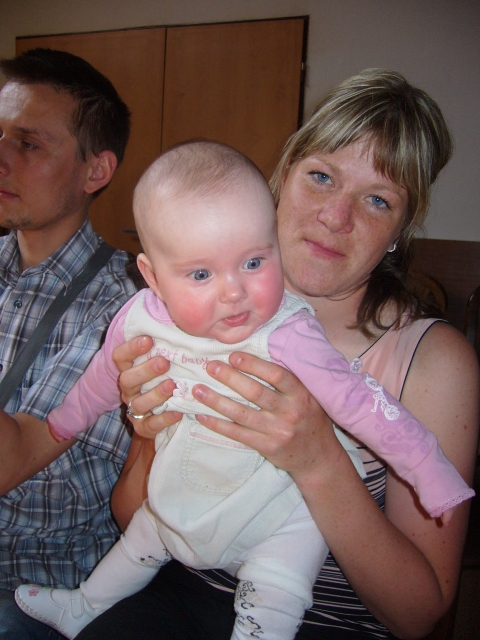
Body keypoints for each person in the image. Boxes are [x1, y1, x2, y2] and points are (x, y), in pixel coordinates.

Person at [76, 70, 479, 640]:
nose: (335, 217)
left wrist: (318, 461)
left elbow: (417, 615)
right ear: (282, 177)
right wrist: (148, 433)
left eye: (377, 200)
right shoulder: (190, 315)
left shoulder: (434, 362)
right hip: (174, 590)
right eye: (321, 177)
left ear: (399, 231)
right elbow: (132, 515)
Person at [0, 48, 138, 639]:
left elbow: (10, 463)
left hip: (37, 587)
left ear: (95, 172)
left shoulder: (122, 308)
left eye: (28, 143)